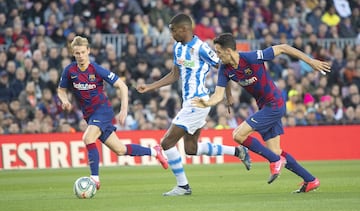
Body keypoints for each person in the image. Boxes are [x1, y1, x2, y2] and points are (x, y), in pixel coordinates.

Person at [192, 33, 331, 193]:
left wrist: (310, 61)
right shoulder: (225, 69)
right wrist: (207, 102)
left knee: (238, 135)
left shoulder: (251, 58)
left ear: (228, 51)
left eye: (218, 52)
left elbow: (283, 48)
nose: (217, 55)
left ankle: (274, 161)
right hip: (264, 107)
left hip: (275, 104)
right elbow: (217, 95)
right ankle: (310, 180)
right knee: (275, 151)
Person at [136, 13, 250, 196]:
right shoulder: (177, 48)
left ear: (184, 30)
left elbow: (224, 67)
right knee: (191, 149)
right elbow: (174, 74)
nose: (171, 34)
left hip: (199, 102)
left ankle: (183, 186)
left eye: (173, 31)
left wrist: (227, 94)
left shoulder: (201, 48)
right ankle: (238, 152)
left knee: (166, 142)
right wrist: (151, 87)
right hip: (188, 103)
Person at [57, 36, 168, 190]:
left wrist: (123, 110)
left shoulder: (96, 69)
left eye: (83, 52)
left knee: (88, 138)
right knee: (120, 150)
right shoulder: (70, 70)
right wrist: (64, 100)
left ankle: (94, 179)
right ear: (73, 53)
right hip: (90, 116)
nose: (81, 56)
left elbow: (122, 86)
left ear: (88, 51)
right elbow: (61, 90)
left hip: (102, 110)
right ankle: (154, 151)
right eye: (77, 53)